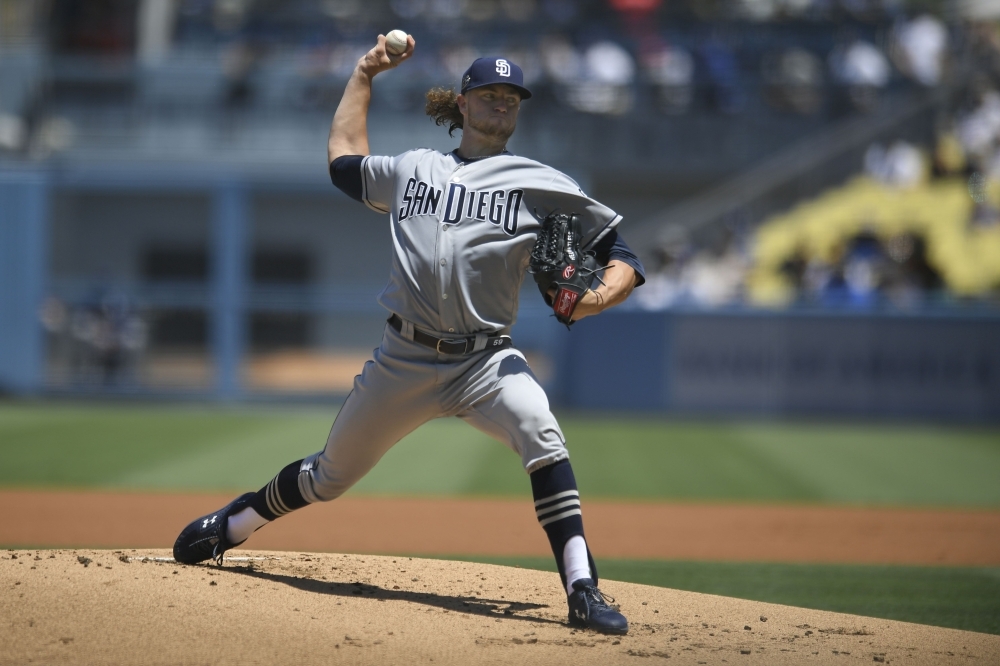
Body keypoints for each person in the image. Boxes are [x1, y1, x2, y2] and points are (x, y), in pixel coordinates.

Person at [172, 33, 645, 635]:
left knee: (542, 433)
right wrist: (364, 74)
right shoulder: (414, 167)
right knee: (329, 477)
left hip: (486, 361)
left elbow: (623, 253)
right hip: (405, 358)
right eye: (491, 94)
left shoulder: (541, 181)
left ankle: (582, 588)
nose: (503, 104)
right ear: (464, 103)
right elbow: (343, 160)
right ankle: (233, 527)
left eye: (513, 97)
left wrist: (599, 297)